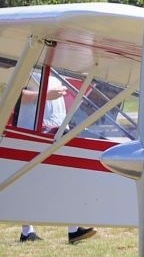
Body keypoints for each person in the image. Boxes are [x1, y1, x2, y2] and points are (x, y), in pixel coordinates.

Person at [13, 74, 94, 243]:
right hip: (31, 133)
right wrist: (46, 95)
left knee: (66, 177)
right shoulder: (29, 63)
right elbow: (15, 93)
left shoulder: (57, 71)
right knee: (28, 182)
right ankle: (27, 231)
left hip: (56, 130)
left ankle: (73, 229)